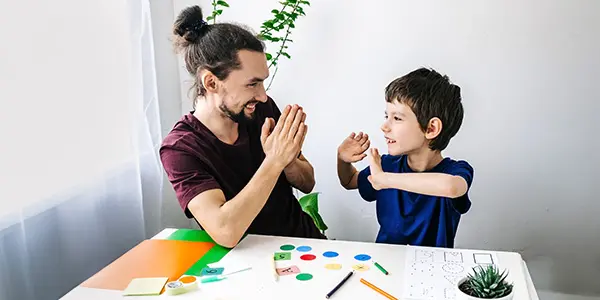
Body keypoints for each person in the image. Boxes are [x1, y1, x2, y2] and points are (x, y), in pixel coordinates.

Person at [160, 5, 324, 248]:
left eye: (262, 83)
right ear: (211, 82)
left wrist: (288, 160)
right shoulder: (181, 149)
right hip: (245, 267)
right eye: (252, 84)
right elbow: (225, 231)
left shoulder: (262, 111)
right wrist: (274, 161)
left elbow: (307, 182)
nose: (263, 96)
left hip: (306, 246)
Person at [336, 67, 473, 248]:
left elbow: (451, 188)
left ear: (431, 129)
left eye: (397, 118)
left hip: (432, 271)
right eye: (387, 116)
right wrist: (342, 160)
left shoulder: (456, 172)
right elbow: (350, 181)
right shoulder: (386, 165)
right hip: (385, 266)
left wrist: (385, 180)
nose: (384, 126)